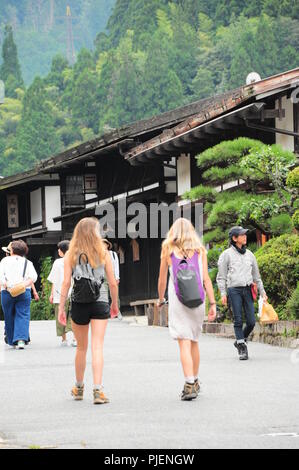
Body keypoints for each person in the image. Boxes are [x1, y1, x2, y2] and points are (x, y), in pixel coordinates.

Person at [58, 217, 118, 405]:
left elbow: (66, 283)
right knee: (97, 346)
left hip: (79, 303)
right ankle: (98, 391)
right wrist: (114, 303)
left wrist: (61, 307)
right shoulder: (103, 253)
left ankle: (78, 387)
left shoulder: (70, 254)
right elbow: (112, 282)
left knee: (81, 348)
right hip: (100, 301)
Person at [157, 218, 217, 401]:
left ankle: (189, 383)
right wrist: (213, 303)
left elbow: (162, 279)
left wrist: (160, 299)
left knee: (183, 341)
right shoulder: (200, 251)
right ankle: (196, 380)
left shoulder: (168, 250)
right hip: (198, 299)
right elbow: (206, 279)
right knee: (194, 340)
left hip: (178, 300)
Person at [216, 226, 268, 361]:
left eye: (245, 234)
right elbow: (221, 277)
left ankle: (240, 340)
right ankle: (242, 347)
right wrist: (223, 293)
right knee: (238, 320)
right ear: (234, 238)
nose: (245, 237)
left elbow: (257, 276)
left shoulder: (250, 255)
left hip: (248, 289)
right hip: (234, 291)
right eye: (242, 235)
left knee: (251, 321)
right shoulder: (226, 255)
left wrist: (263, 292)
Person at [0, 240, 37, 350]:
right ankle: (20, 340)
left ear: (12, 250)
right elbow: (33, 277)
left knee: (9, 315)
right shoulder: (27, 262)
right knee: (23, 314)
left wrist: (7, 286)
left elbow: (1, 276)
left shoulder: (5, 261)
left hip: (7, 292)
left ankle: (12, 340)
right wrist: (22, 285)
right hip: (23, 291)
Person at [48, 240, 76, 347]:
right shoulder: (75, 261)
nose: (58, 251)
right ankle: (74, 339)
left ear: (62, 251)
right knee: (73, 316)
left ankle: (64, 339)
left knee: (60, 315)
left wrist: (51, 294)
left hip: (59, 293)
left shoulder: (57, 262)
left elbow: (54, 280)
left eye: (59, 249)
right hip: (73, 292)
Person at [102, 239, 122, 320]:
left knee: (115, 295)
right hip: (102, 276)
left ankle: (117, 311)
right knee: (104, 295)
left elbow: (116, 266)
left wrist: (117, 277)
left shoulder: (113, 254)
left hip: (112, 275)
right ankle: (106, 312)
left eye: (104, 244)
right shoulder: (98, 254)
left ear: (107, 245)